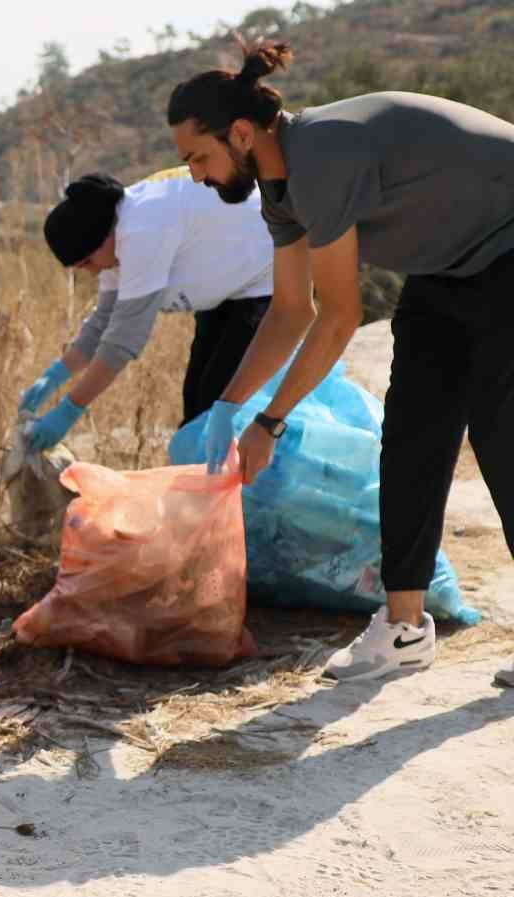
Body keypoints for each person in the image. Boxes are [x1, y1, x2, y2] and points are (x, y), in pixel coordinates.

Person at [169, 40, 514, 685]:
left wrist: (270, 422)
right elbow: (289, 311)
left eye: (198, 156)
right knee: (411, 437)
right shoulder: (279, 193)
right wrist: (228, 405)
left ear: (241, 133)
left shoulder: (320, 156)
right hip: (449, 267)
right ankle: (405, 628)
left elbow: (339, 315)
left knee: (501, 435)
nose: (195, 174)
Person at [19, 167, 274, 450]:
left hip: (266, 277)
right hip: (226, 290)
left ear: (101, 239)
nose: (91, 272)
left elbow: (121, 343)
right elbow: (102, 323)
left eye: (87, 263)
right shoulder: (111, 241)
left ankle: (241, 487)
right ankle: (207, 484)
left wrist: (69, 410)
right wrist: (55, 376)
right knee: (196, 404)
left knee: (215, 406)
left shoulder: (140, 231)